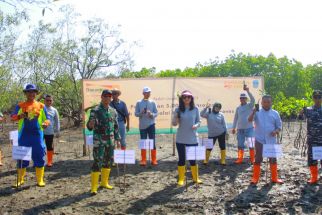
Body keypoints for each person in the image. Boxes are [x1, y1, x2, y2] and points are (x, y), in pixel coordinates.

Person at [11, 84, 50, 187]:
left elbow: (47, 119)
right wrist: (20, 116)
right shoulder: (20, 106)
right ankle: (20, 179)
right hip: (24, 136)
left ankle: (40, 180)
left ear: (36, 93)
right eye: (29, 92)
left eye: (33, 92)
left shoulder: (41, 106)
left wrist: (45, 124)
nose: (31, 93)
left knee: (39, 155)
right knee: (22, 157)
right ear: (25, 93)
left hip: (37, 136)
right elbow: (13, 117)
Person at [87, 89, 121, 195]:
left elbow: (115, 126)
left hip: (110, 141)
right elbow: (89, 126)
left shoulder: (113, 111)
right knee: (97, 162)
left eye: (109, 96)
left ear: (111, 98)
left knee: (109, 161)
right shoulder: (95, 110)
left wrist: (118, 139)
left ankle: (104, 182)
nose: (107, 98)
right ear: (101, 97)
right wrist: (91, 125)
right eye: (105, 96)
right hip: (99, 141)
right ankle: (94, 187)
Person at [248, 95, 283, 184]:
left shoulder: (275, 113)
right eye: (264, 102)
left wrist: (275, 131)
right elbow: (249, 120)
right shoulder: (257, 112)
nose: (266, 104)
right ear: (261, 103)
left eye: (268, 102)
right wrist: (253, 112)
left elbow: (279, 127)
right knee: (258, 159)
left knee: (273, 159)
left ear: (271, 103)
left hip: (271, 140)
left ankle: (275, 178)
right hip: (259, 139)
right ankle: (255, 178)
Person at [172, 90, 202, 186]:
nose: (186, 98)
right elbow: (174, 124)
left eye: (188, 97)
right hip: (180, 138)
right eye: (184, 97)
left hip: (192, 138)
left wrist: (196, 125)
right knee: (181, 159)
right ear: (182, 98)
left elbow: (199, 121)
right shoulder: (178, 109)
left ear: (191, 98)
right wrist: (176, 117)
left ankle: (195, 178)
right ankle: (181, 179)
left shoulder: (195, 109)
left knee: (193, 159)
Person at [299, 90, 322, 184]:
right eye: (315, 97)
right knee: (312, 159)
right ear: (312, 98)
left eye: (319, 97)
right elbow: (300, 119)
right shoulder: (308, 110)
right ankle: (314, 177)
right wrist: (300, 113)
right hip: (312, 139)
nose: (317, 99)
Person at [232, 85, 256, 164]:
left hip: (250, 128)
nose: (242, 99)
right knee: (240, 144)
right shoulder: (238, 108)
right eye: (241, 98)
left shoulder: (249, 105)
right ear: (240, 99)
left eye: (244, 98)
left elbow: (253, 100)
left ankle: (252, 159)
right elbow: (235, 118)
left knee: (251, 144)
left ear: (246, 99)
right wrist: (233, 128)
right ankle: (240, 158)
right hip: (240, 130)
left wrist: (248, 91)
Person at [135, 87, 158, 166]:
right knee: (143, 142)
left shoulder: (153, 102)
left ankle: (154, 160)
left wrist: (151, 114)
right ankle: (143, 160)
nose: (148, 94)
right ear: (143, 93)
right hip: (142, 126)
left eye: (149, 92)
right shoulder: (138, 102)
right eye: (146, 92)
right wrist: (141, 113)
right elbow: (136, 114)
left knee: (153, 141)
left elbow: (156, 113)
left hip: (151, 125)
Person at [43, 95, 60, 167]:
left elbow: (57, 121)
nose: (49, 102)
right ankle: (40, 161)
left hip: (50, 132)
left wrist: (57, 131)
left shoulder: (54, 110)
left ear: (52, 101)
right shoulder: (41, 108)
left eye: (50, 100)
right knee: (40, 147)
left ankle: (49, 162)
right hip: (40, 131)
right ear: (44, 101)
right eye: (47, 100)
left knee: (49, 146)